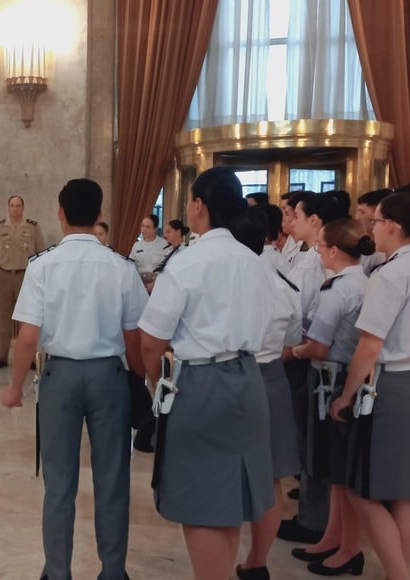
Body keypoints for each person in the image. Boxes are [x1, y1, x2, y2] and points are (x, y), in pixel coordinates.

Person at [0, 178, 148, 580]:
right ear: (100, 215)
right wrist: (138, 379)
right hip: (109, 378)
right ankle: (113, 572)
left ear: (61, 214)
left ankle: (58, 571)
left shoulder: (42, 265)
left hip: (60, 376)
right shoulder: (122, 267)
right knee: (112, 479)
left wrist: (14, 389)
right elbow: (135, 338)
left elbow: (27, 337)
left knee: (59, 482)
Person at [139, 167, 275, 580]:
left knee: (201, 499)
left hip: (200, 381)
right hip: (249, 379)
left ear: (199, 205)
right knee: (229, 494)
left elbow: (150, 339)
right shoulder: (254, 261)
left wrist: (154, 383)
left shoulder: (188, 260)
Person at [330, 191, 410, 580]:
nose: (372, 228)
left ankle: (399, 575)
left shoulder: (391, 273)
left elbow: (369, 345)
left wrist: (346, 394)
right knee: (406, 491)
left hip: (391, 385)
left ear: (394, 226)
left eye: (376, 220)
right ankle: (396, 573)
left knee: (362, 489)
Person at [290, 218, 374, 576]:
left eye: (321, 246)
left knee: (333, 467)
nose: (318, 251)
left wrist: (290, 353)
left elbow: (319, 346)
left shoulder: (338, 289)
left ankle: (348, 548)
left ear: (334, 251)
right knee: (336, 472)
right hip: (347, 375)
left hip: (333, 379)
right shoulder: (363, 282)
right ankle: (332, 537)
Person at [229, 207, 302, 579]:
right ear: (273, 237)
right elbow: (293, 338)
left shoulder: (229, 280)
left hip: (229, 375)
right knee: (270, 478)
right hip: (273, 375)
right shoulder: (284, 284)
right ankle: (257, 562)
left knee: (222, 473)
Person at [279, 190, 351, 543]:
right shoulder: (307, 256)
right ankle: (314, 512)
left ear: (315, 221)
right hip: (307, 352)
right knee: (310, 442)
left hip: (311, 356)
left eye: (297, 215)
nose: (290, 221)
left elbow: (301, 311)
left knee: (314, 445)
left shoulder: (315, 265)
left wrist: (290, 351)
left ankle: (313, 519)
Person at [0, 195, 45, 369]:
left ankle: (29, 359)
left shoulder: (32, 228)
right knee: (3, 317)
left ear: (23, 208)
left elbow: (40, 252)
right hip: (4, 274)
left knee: (27, 318)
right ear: (8, 208)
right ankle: (2, 357)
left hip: (25, 276)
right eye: (12, 206)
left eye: (18, 206)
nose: (15, 209)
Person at [355, 188, 392, 274]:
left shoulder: (384, 250)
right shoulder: (366, 244)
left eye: (362, 212)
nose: (357, 217)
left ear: (377, 213)